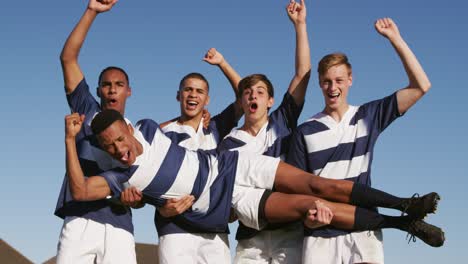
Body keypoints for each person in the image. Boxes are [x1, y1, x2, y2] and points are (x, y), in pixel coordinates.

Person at [64, 110, 444, 251]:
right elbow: (80, 190)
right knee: (312, 207)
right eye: (109, 147)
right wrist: (69, 140)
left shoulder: (149, 126)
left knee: (316, 184)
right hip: (227, 203)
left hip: (232, 164)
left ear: (130, 128)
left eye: (120, 139)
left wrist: (203, 120)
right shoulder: (120, 177)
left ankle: (405, 203)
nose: (119, 149)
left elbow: (185, 123)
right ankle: (402, 224)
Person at [287, 18, 433, 263]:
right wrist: (307, 218)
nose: (333, 87)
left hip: (364, 230)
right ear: (319, 84)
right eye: (327, 81)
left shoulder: (368, 116)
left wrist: (395, 39)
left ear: (350, 80)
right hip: (320, 235)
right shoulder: (304, 131)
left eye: (339, 80)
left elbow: (421, 86)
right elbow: (296, 189)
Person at [123, 49, 243, 264]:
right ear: (179, 95)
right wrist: (160, 207)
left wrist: (222, 63)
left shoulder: (215, 127)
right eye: (188, 90)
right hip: (174, 230)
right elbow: (147, 181)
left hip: (214, 232)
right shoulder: (162, 134)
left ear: (207, 99)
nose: (193, 95)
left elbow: (243, 96)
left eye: (199, 91)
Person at [215, 0, 310, 262]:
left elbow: (303, 74)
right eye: (247, 93)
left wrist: (299, 25)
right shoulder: (228, 143)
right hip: (249, 239)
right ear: (241, 101)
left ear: (270, 100)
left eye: (260, 92)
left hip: (289, 234)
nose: (252, 96)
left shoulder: (282, 122)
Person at [53, 0, 139, 263]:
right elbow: (68, 58)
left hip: (119, 225)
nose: (112, 89)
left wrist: (135, 199)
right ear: (99, 90)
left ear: (128, 91)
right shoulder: (85, 108)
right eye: (106, 85)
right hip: (79, 219)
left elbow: (143, 187)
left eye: (119, 84)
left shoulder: (138, 134)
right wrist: (92, 11)